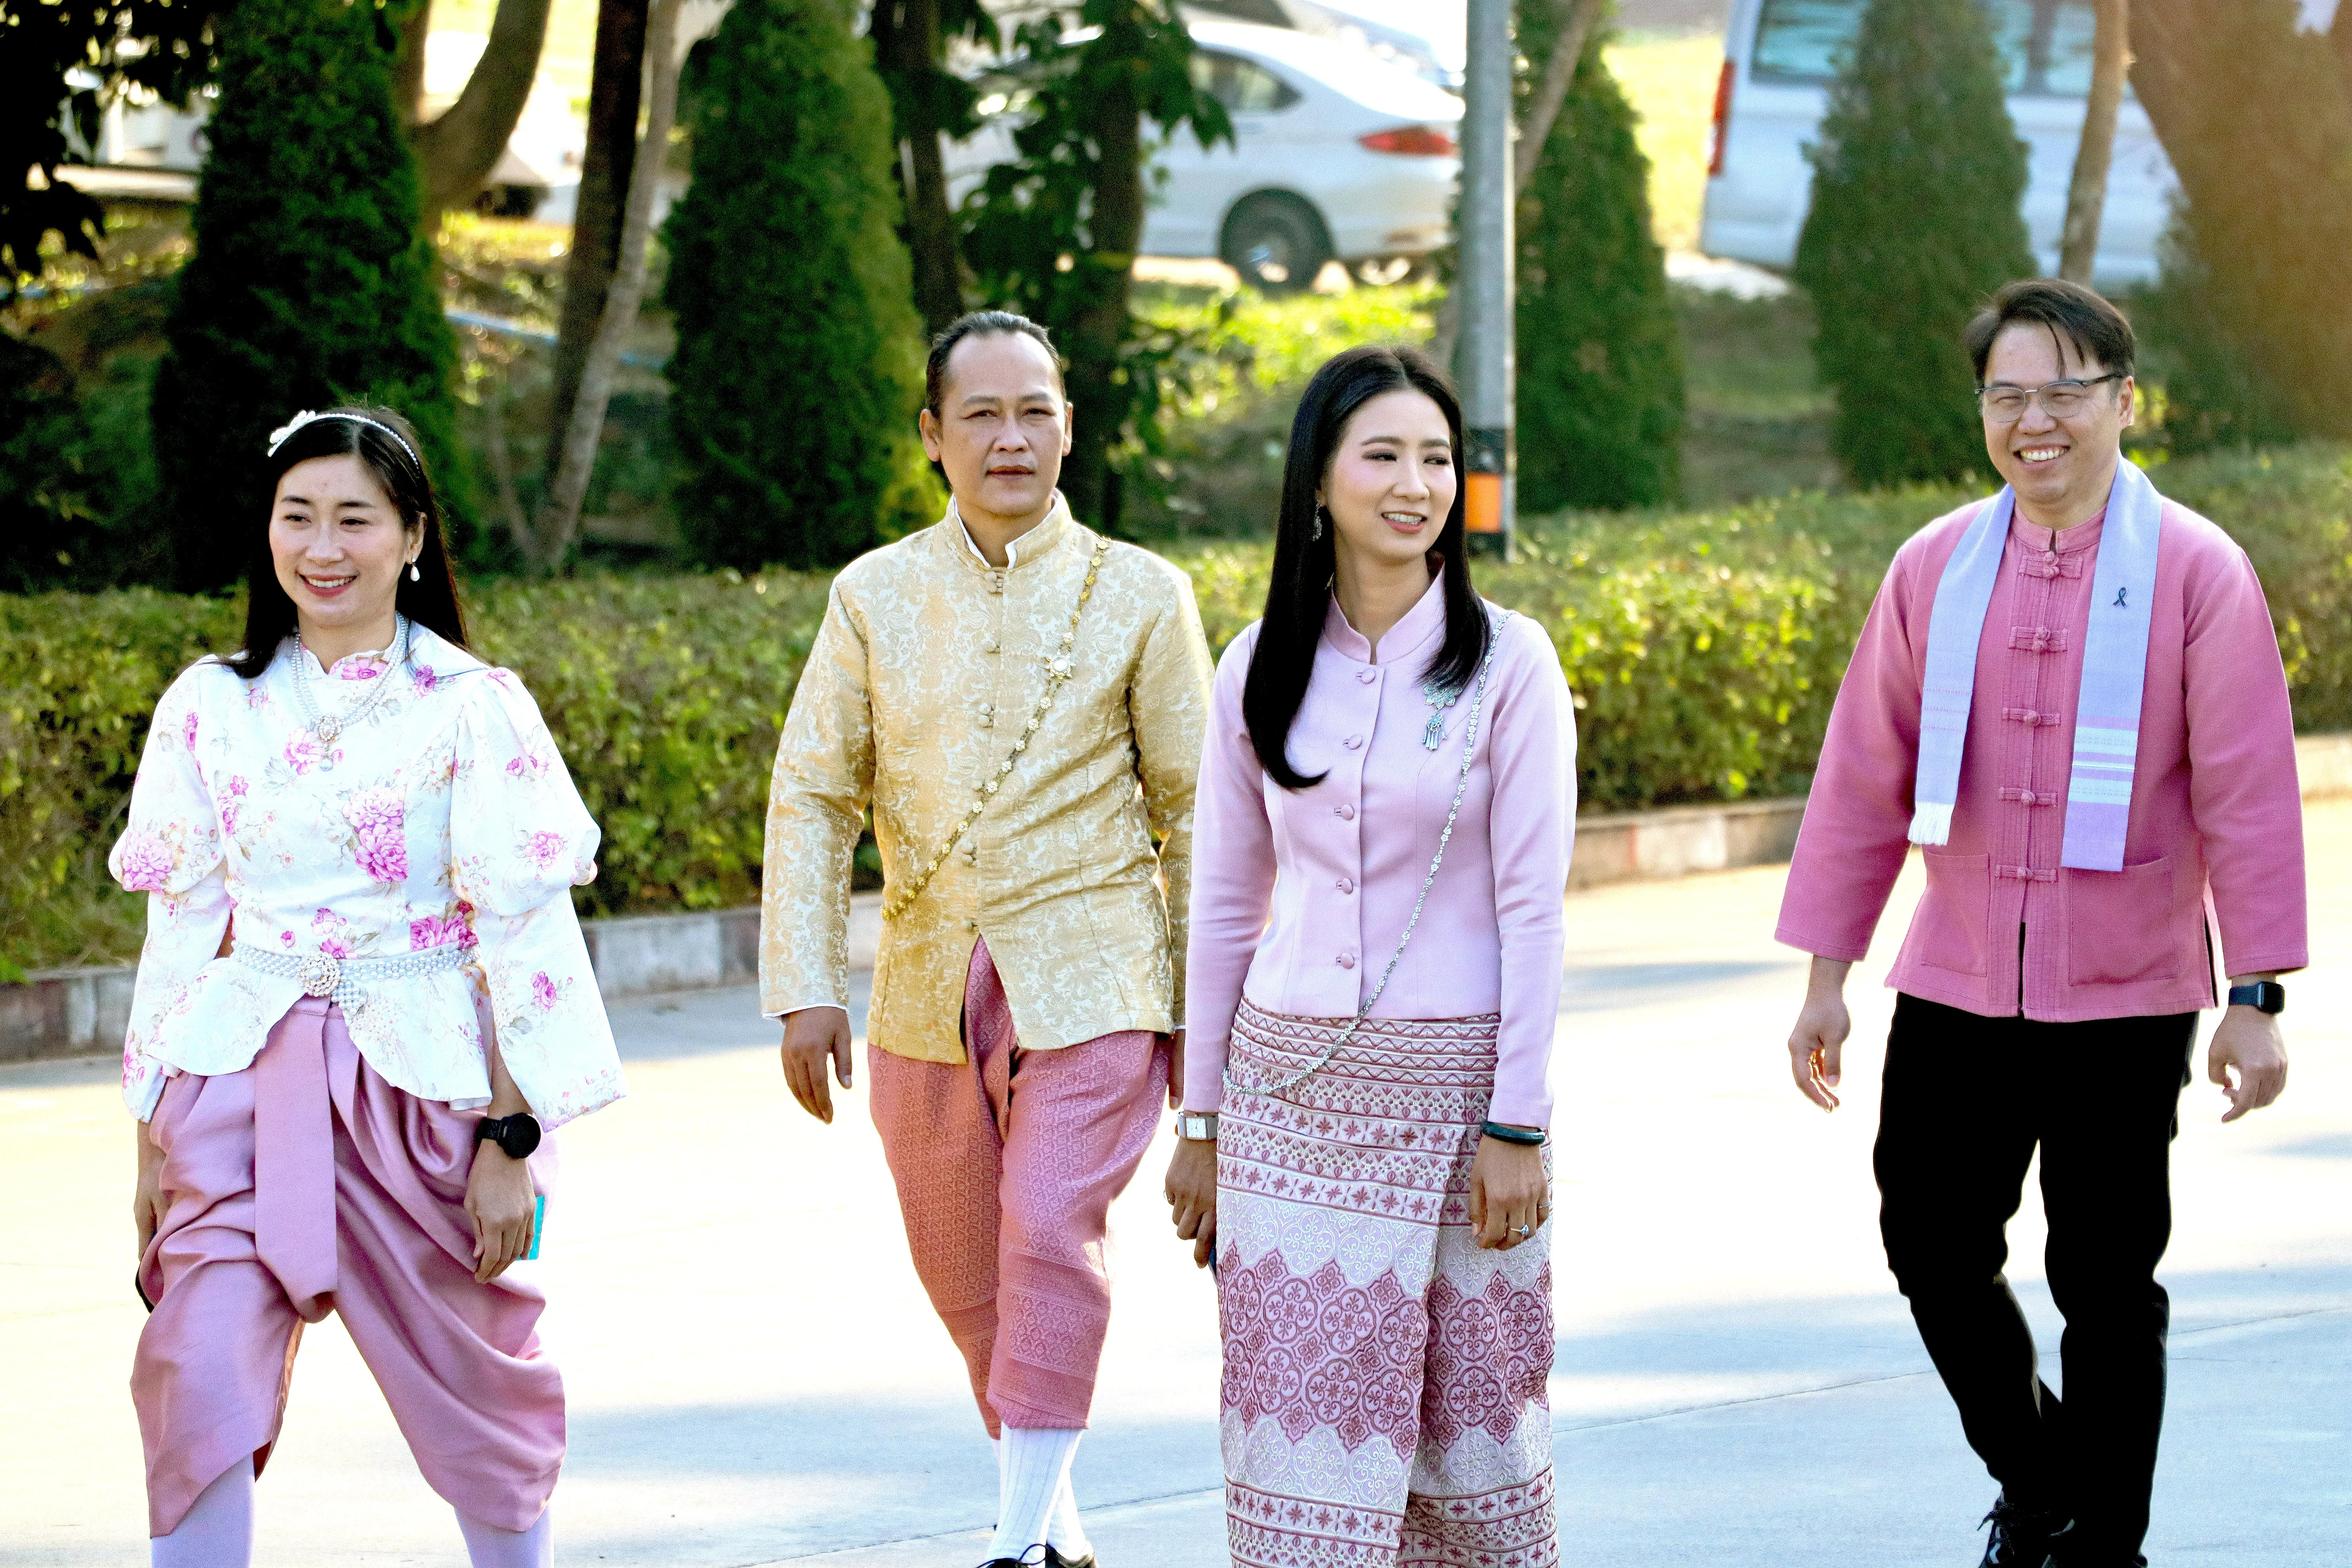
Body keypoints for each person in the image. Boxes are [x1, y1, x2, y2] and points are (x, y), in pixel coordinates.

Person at [1776, 280, 2305, 1568]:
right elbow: (1864, 777)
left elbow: (2246, 791)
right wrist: (1827, 976)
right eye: (2008, 395)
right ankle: (2046, 1473)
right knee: (1928, 1243)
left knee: (2108, 1288)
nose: (2035, 421)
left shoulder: (2194, 572)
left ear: (2125, 402)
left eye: (2064, 392)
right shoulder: (1934, 569)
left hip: (2128, 997)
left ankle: (2100, 1546)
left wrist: (2258, 998)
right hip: (1954, 983)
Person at [114, 406, 624, 1568]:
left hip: (424, 1092)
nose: (324, 546)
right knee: (193, 1374)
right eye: (299, 517)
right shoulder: (208, 704)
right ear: (268, 533)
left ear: (411, 538)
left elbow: (524, 934)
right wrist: (149, 1125)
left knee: (477, 1384)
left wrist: (514, 1137)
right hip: (234, 1082)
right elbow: (182, 926)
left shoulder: (473, 705)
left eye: (356, 517)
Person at [760, 310, 1214, 1568]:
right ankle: (1057, 1537)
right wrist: (805, 985)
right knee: (969, 1277)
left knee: (1048, 1233)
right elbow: (812, 793)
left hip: (1100, 979)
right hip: (921, 986)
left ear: (1070, 427)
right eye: (982, 416)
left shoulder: (1143, 593)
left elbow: (1199, 816)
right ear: (933, 437)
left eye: (1035, 413)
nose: (1011, 439)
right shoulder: (873, 593)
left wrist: (1197, 1020)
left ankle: (1011, 1548)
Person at [1165, 345, 1576, 1567]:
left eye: (1437, 459)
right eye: (1384, 455)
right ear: (1321, 482)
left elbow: (1534, 912)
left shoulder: (1513, 665)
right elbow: (1227, 904)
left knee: (1473, 1440)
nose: (1416, 484)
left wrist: (1520, 1126)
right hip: (1288, 1102)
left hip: (1458, 1105)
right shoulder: (1257, 665)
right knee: (1297, 1434)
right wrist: (1201, 1123)